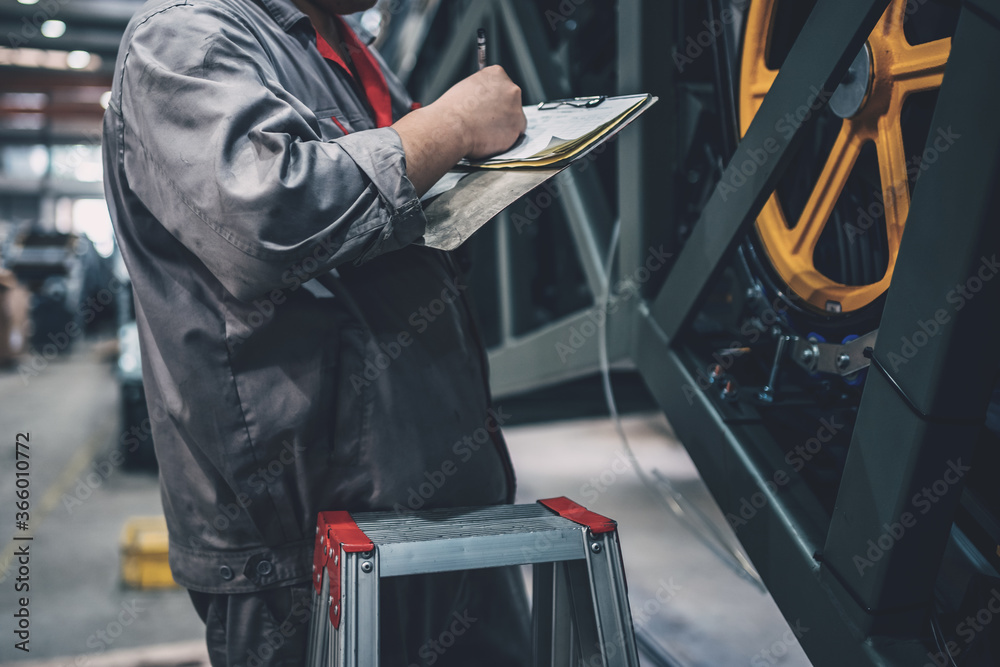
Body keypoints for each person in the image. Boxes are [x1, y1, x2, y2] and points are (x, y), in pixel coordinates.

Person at [101, 0, 531, 664]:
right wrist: (449, 125)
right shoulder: (181, 37)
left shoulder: (348, 52)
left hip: (449, 506)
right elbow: (261, 218)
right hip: (302, 546)